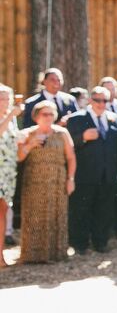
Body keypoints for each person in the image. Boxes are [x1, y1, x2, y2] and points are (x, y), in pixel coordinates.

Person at [66, 86, 117, 254]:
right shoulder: (77, 119)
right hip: (84, 173)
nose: (101, 104)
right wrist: (83, 138)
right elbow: (68, 145)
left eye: (105, 100)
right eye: (98, 100)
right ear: (90, 100)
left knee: (104, 209)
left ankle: (100, 242)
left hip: (108, 173)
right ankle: (80, 244)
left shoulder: (115, 119)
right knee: (81, 209)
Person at [17, 101, 76, 263]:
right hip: (34, 180)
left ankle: (56, 253)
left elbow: (71, 157)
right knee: (34, 216)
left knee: (56, 215)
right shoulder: (27, 133)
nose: (49, 117)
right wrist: (30, 145)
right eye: (45, 114)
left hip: (57, 180)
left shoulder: (62, 133)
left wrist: (70, 179)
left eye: (51, 114)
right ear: (36, 116)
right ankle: (33, 255)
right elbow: (19, 156)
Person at [0, 85, 21, 267]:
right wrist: (9, 116)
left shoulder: (12, 120)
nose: (5, 102)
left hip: (7, 171)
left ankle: (0, 255)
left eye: (8, 99)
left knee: (3, 212)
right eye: (2, 99)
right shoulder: (9, 118)